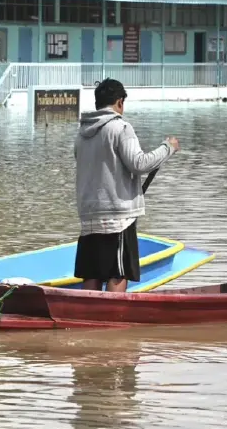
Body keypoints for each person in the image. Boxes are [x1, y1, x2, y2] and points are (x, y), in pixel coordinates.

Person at [74, 78, 180, 292]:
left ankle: (88, 313)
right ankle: (112, 313)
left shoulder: (81, 134)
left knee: (92, 273)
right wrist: (167, 148)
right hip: (118, 218)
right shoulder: (121, 127)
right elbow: (139, 164)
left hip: (89, 216)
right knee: (118, 272)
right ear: (120, 102)